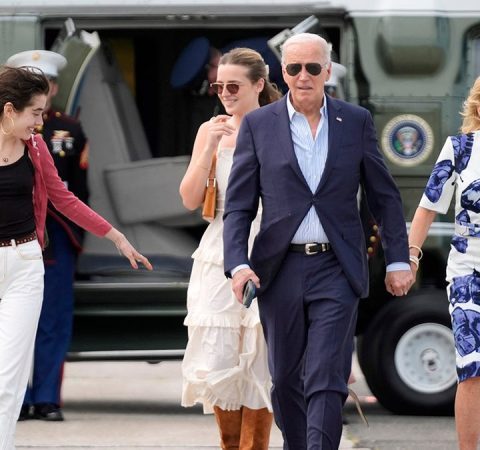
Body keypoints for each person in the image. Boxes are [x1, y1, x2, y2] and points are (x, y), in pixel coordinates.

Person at [223, 33, 413, 450]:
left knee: (327, 375)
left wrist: (399, 259)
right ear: (283, 72)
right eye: (294, 68)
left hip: (336, 267)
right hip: (279, 269)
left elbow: (383, 195)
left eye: (313, 67)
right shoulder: (259, 125)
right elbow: (238, 206)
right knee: (286, 378)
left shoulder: (355, 121)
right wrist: (237, 264)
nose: (304, 76)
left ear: (327, 71)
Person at [0, 65, 152, 450]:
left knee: (9, 374)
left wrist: (116, 236)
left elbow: (64, 199)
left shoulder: (35, 147)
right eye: (34, 113)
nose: (40, 122)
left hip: (24, 264)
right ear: (9, 110)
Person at [179, 47, 282, 450]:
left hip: (267, 243)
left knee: (260, 355)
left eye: (233, 86)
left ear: (258, 85)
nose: (224, 93)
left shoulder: (279, 126)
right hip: (219, 248)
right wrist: (209, 148)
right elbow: (190, 199)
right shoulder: (210, 130)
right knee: (219, 357)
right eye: (218, 86)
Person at [6, 49, 89, 422]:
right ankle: (18, 398)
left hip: (57, 233)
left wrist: (78, 236)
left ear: (54, 87)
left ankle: (46, 397)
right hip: (14, 232)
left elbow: (78, 191)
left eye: (48, 82)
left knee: (53, 318)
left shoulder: (70, 129)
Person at [408, 76, 480, 450]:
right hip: (469, 272)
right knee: (472, 366)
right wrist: (410, 256)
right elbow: (427, 207)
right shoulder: (460, 149)